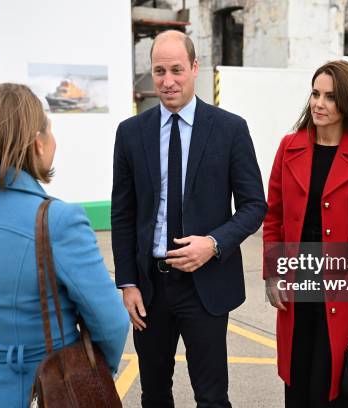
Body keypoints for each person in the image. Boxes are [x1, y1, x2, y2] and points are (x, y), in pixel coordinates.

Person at [0, 83, 129, 407]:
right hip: (42, 391)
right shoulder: (58, 220)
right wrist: (89, 373)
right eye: (48, 129)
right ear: (35, 143)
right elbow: (111, 322)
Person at [111, 30, 267, 407]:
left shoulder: (230, 129)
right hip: (151, 287)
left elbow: (254, 205)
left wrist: (213, 245)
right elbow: (123, 212)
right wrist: (128, 283)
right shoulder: (131, 133)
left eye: (177, 70)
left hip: (206, 285)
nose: (167, 81)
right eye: (159, 71)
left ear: (195, 68)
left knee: (212, 397)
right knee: (154, 395)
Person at [263, 60, 348, 407]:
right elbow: (273, 217)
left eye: (330, 97)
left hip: (341, 287)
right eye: (315, 94)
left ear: (347, 103)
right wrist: (273, 274)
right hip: (297, 284)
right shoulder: (289, 146)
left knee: (331, 385)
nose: (319, 103)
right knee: (297, 379)